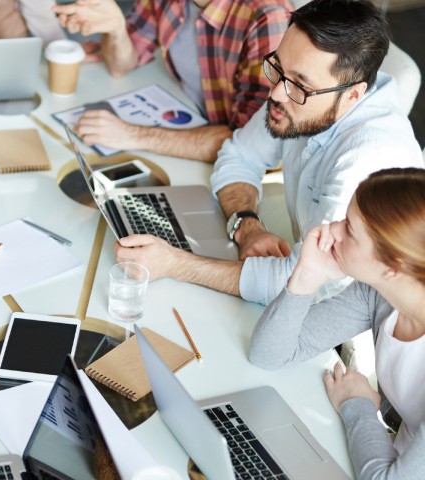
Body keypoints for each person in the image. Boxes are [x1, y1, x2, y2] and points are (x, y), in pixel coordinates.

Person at [115, 0, 423, 305]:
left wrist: (175, 264)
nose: (275, 93)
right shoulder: (301, 90)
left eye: (299, 85)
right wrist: (247, 227)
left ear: (352, 96)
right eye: (277, 67)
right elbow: (239, 155)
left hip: (336, 322)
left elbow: (297, 284)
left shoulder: (366, 161)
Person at [249, 168, 425, 478]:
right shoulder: (380, 294)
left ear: (393, 267)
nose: (332, 230)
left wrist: (356, 404)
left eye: (350, 231)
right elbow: (270, 354)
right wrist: (307, 275)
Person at [53, 0, 292, 162]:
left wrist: (131, 134)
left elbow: (250, 143)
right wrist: (116, 30)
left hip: (235, 164)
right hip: (191, 122)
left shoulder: (268, 15)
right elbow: (121, 65)